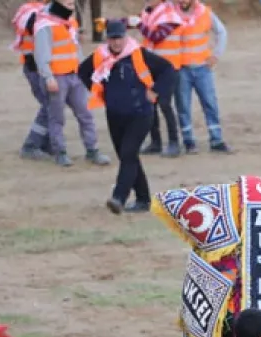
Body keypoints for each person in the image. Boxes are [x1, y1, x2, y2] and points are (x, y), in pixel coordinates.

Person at [78, 19, 177, 214]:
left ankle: (119, 198)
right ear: (107, 39)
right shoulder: (100, 56)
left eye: (120, 38)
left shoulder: (138, 54)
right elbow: (83, 71)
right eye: (113, 39)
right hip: (114, 115)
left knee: (129, 154)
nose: (116, 43)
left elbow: (168, 70)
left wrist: (156, 91)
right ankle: (143, 199)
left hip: (141, 113)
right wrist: (101, 91)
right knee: (127, 156)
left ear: (126, 37)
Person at [33, 0, 112, 167]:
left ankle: (92, 150)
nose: (70, 2)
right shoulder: (44, 25)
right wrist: (48, 77)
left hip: (75, 76)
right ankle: (60, 152)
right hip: (57, 78)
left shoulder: (70, 22)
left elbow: (75, 49)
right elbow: (41, 55)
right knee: (57, 118)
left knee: (86, 114)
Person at [173, 0, 233, 154]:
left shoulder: (205, 13)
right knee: (183, 107)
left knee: (210, 103)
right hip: (181, 68)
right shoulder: (170, 14)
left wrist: (216, 55)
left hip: (202, 67)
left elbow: (221, 32)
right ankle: (189, 141)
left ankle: (216, 139)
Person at [137, 0, 184, 157]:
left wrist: (138, 24)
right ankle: (155, 142)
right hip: (151, 65)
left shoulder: (171, 16)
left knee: (164, 104)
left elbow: (156, 36)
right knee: (150, 104)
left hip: (169, 67)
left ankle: (173, 142)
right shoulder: (148, 13)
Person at [11, 0, 55, 160]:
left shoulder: (48, 10)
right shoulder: (28, 11)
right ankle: (31, 145)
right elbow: (32, 26)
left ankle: (46, 143)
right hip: (35, 67)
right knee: (49, 106)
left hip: (47, 66)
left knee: (52, 106)